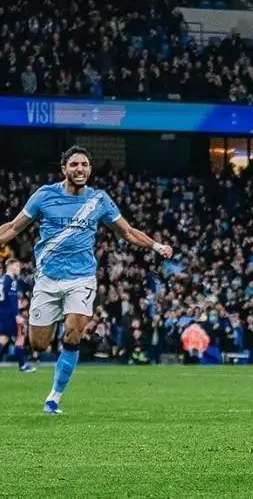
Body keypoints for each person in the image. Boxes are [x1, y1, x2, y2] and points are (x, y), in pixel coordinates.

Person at [0, 146, 173, 414]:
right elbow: (13, 227)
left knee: (73, 333)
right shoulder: (44, 195)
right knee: (39, 344)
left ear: (90, 169)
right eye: (74, 164)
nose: (79, 169)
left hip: (81, 279)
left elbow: (127, 232)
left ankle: (54, 397)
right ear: (64, 169)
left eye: (84, 164)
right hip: (47, 279)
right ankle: (55, 331)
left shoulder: (99, 200)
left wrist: (155, 246)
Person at [0, 258, 36, 372]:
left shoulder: (2, 279)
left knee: (3, 338)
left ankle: (23, 365)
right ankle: (22, 365)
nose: (18, 268)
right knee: (19, 338)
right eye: (17, 266)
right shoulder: (12, 281)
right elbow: (12, 299)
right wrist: (16, 315)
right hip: (10, 314)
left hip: (2, 313)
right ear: (11, 266)